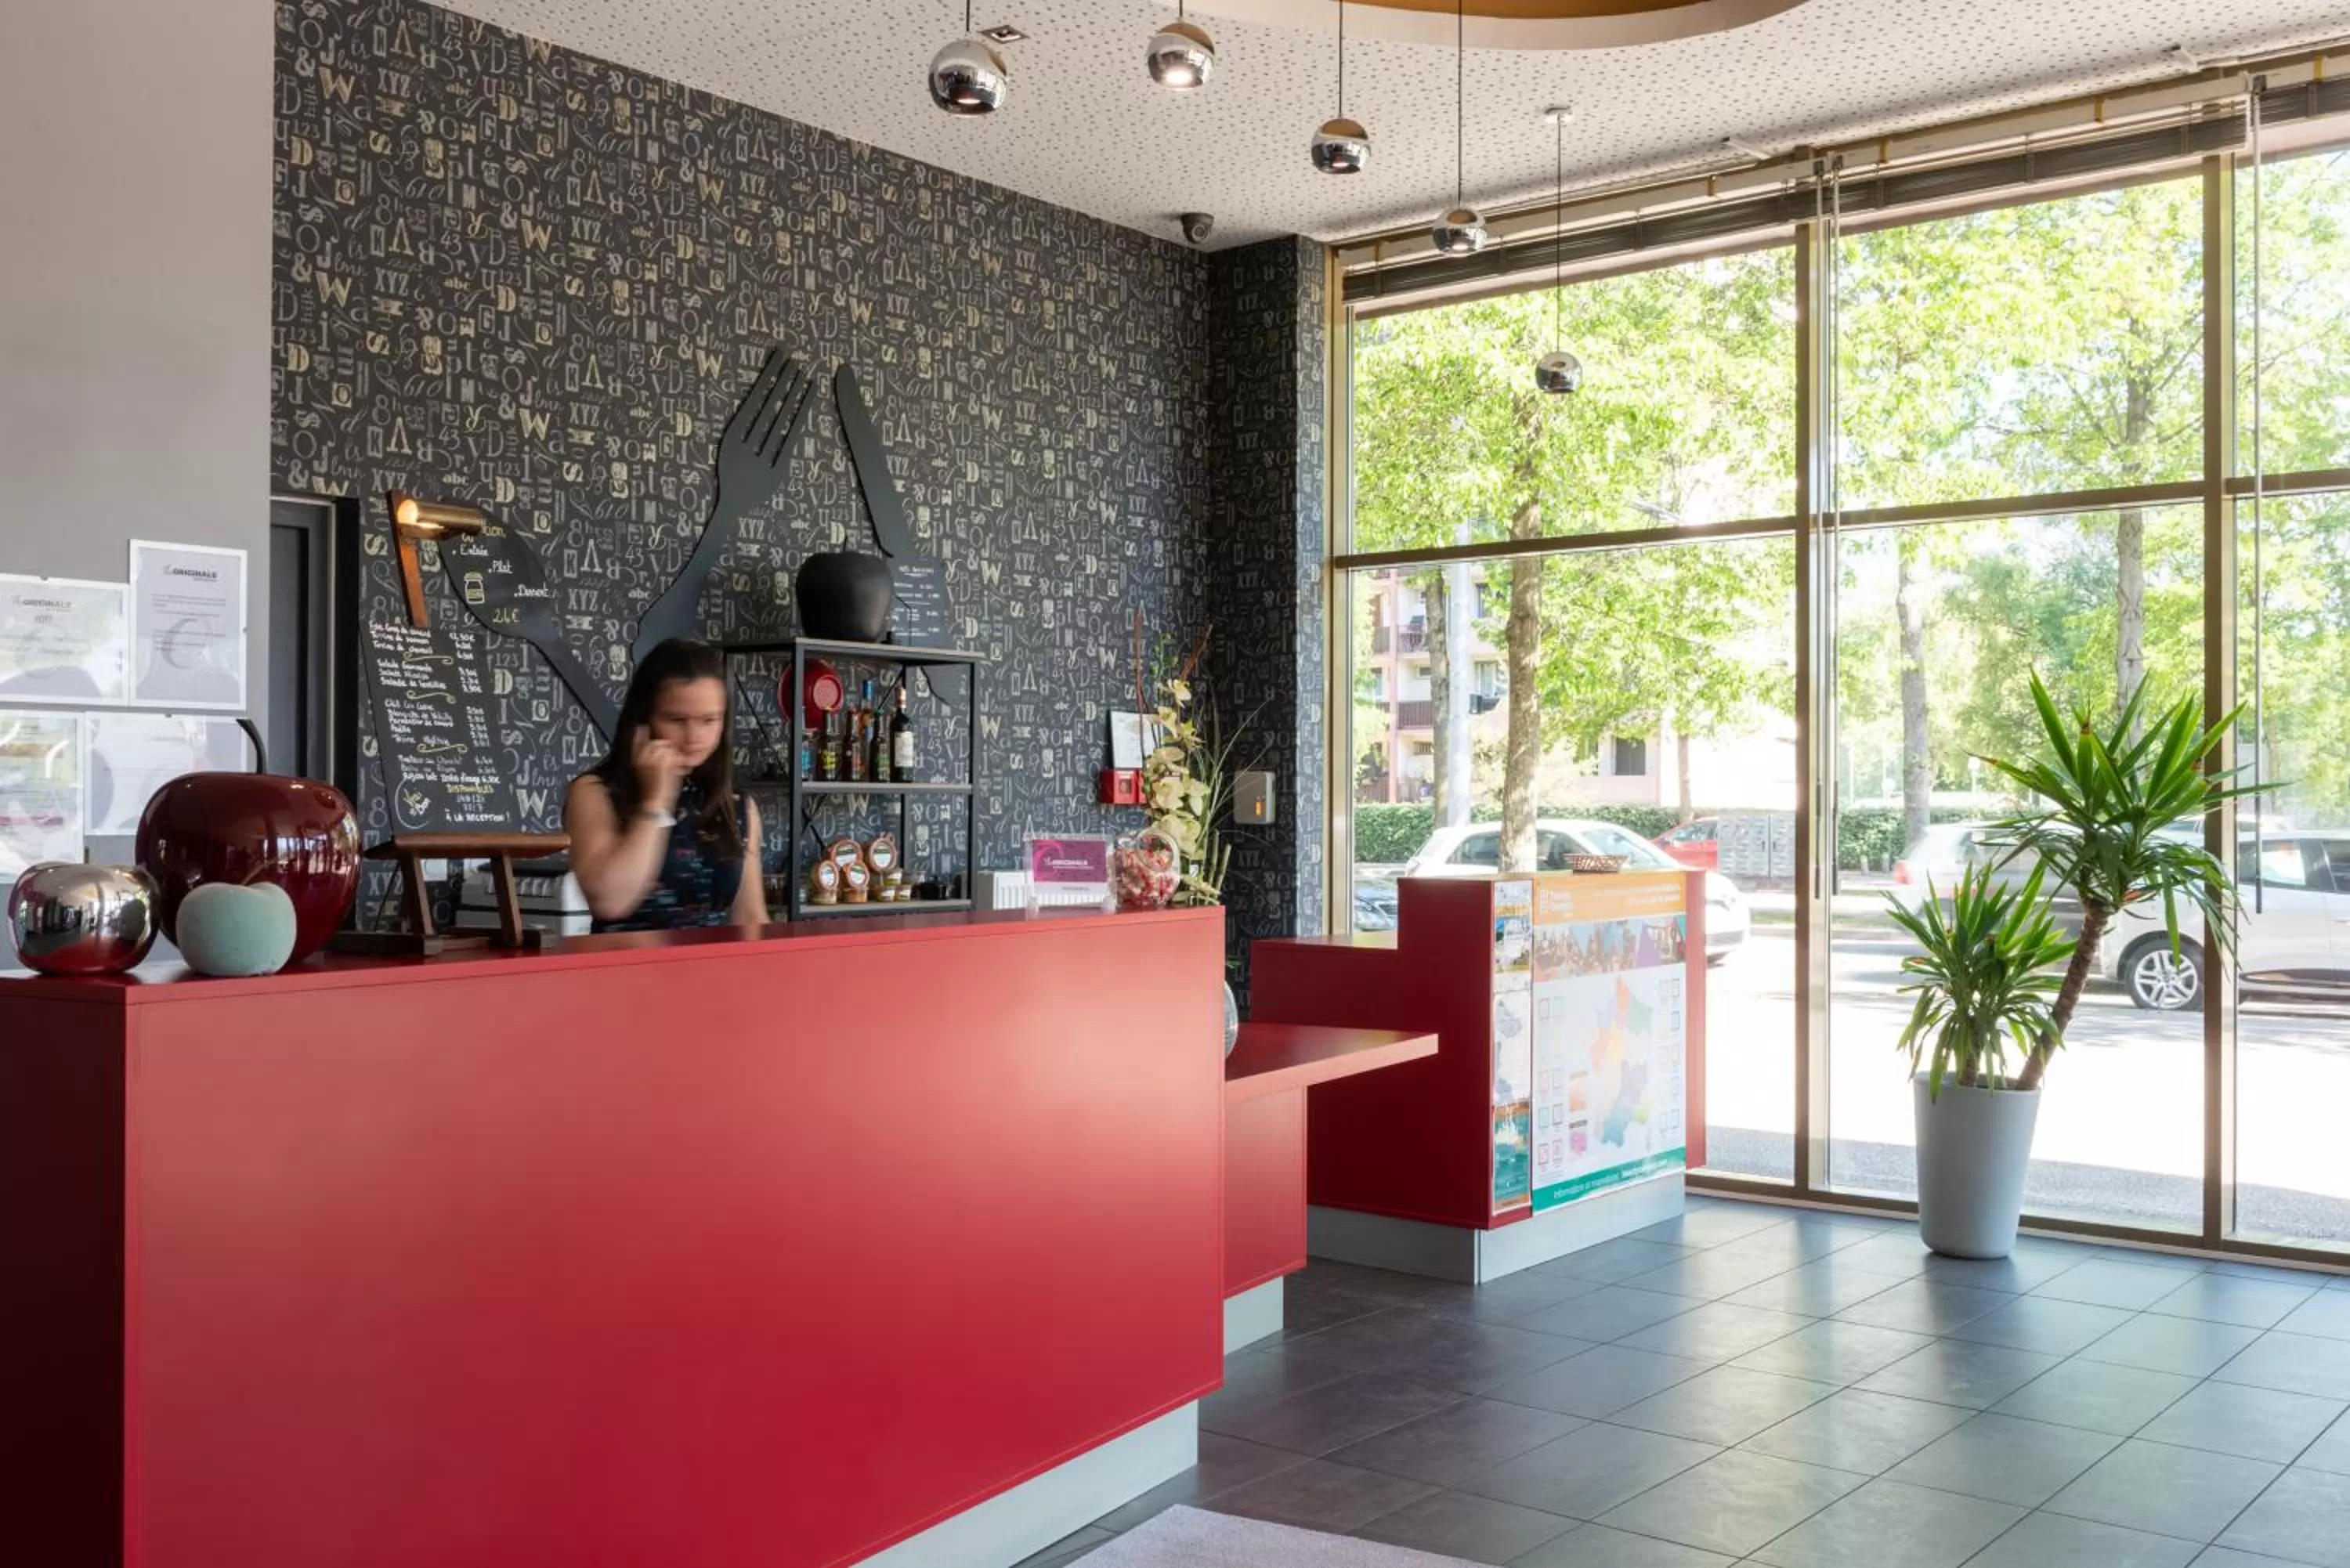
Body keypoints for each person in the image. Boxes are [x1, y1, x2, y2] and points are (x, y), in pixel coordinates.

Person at [564, 638, 768, 931]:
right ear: (645, 718)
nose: (694, 736)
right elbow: (610, 901)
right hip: (623, 971)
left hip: (714, 972)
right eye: (677, 719)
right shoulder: (595, 792)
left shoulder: (736, 805)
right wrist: (656, 801)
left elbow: (751, 918)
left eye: (709, 720)